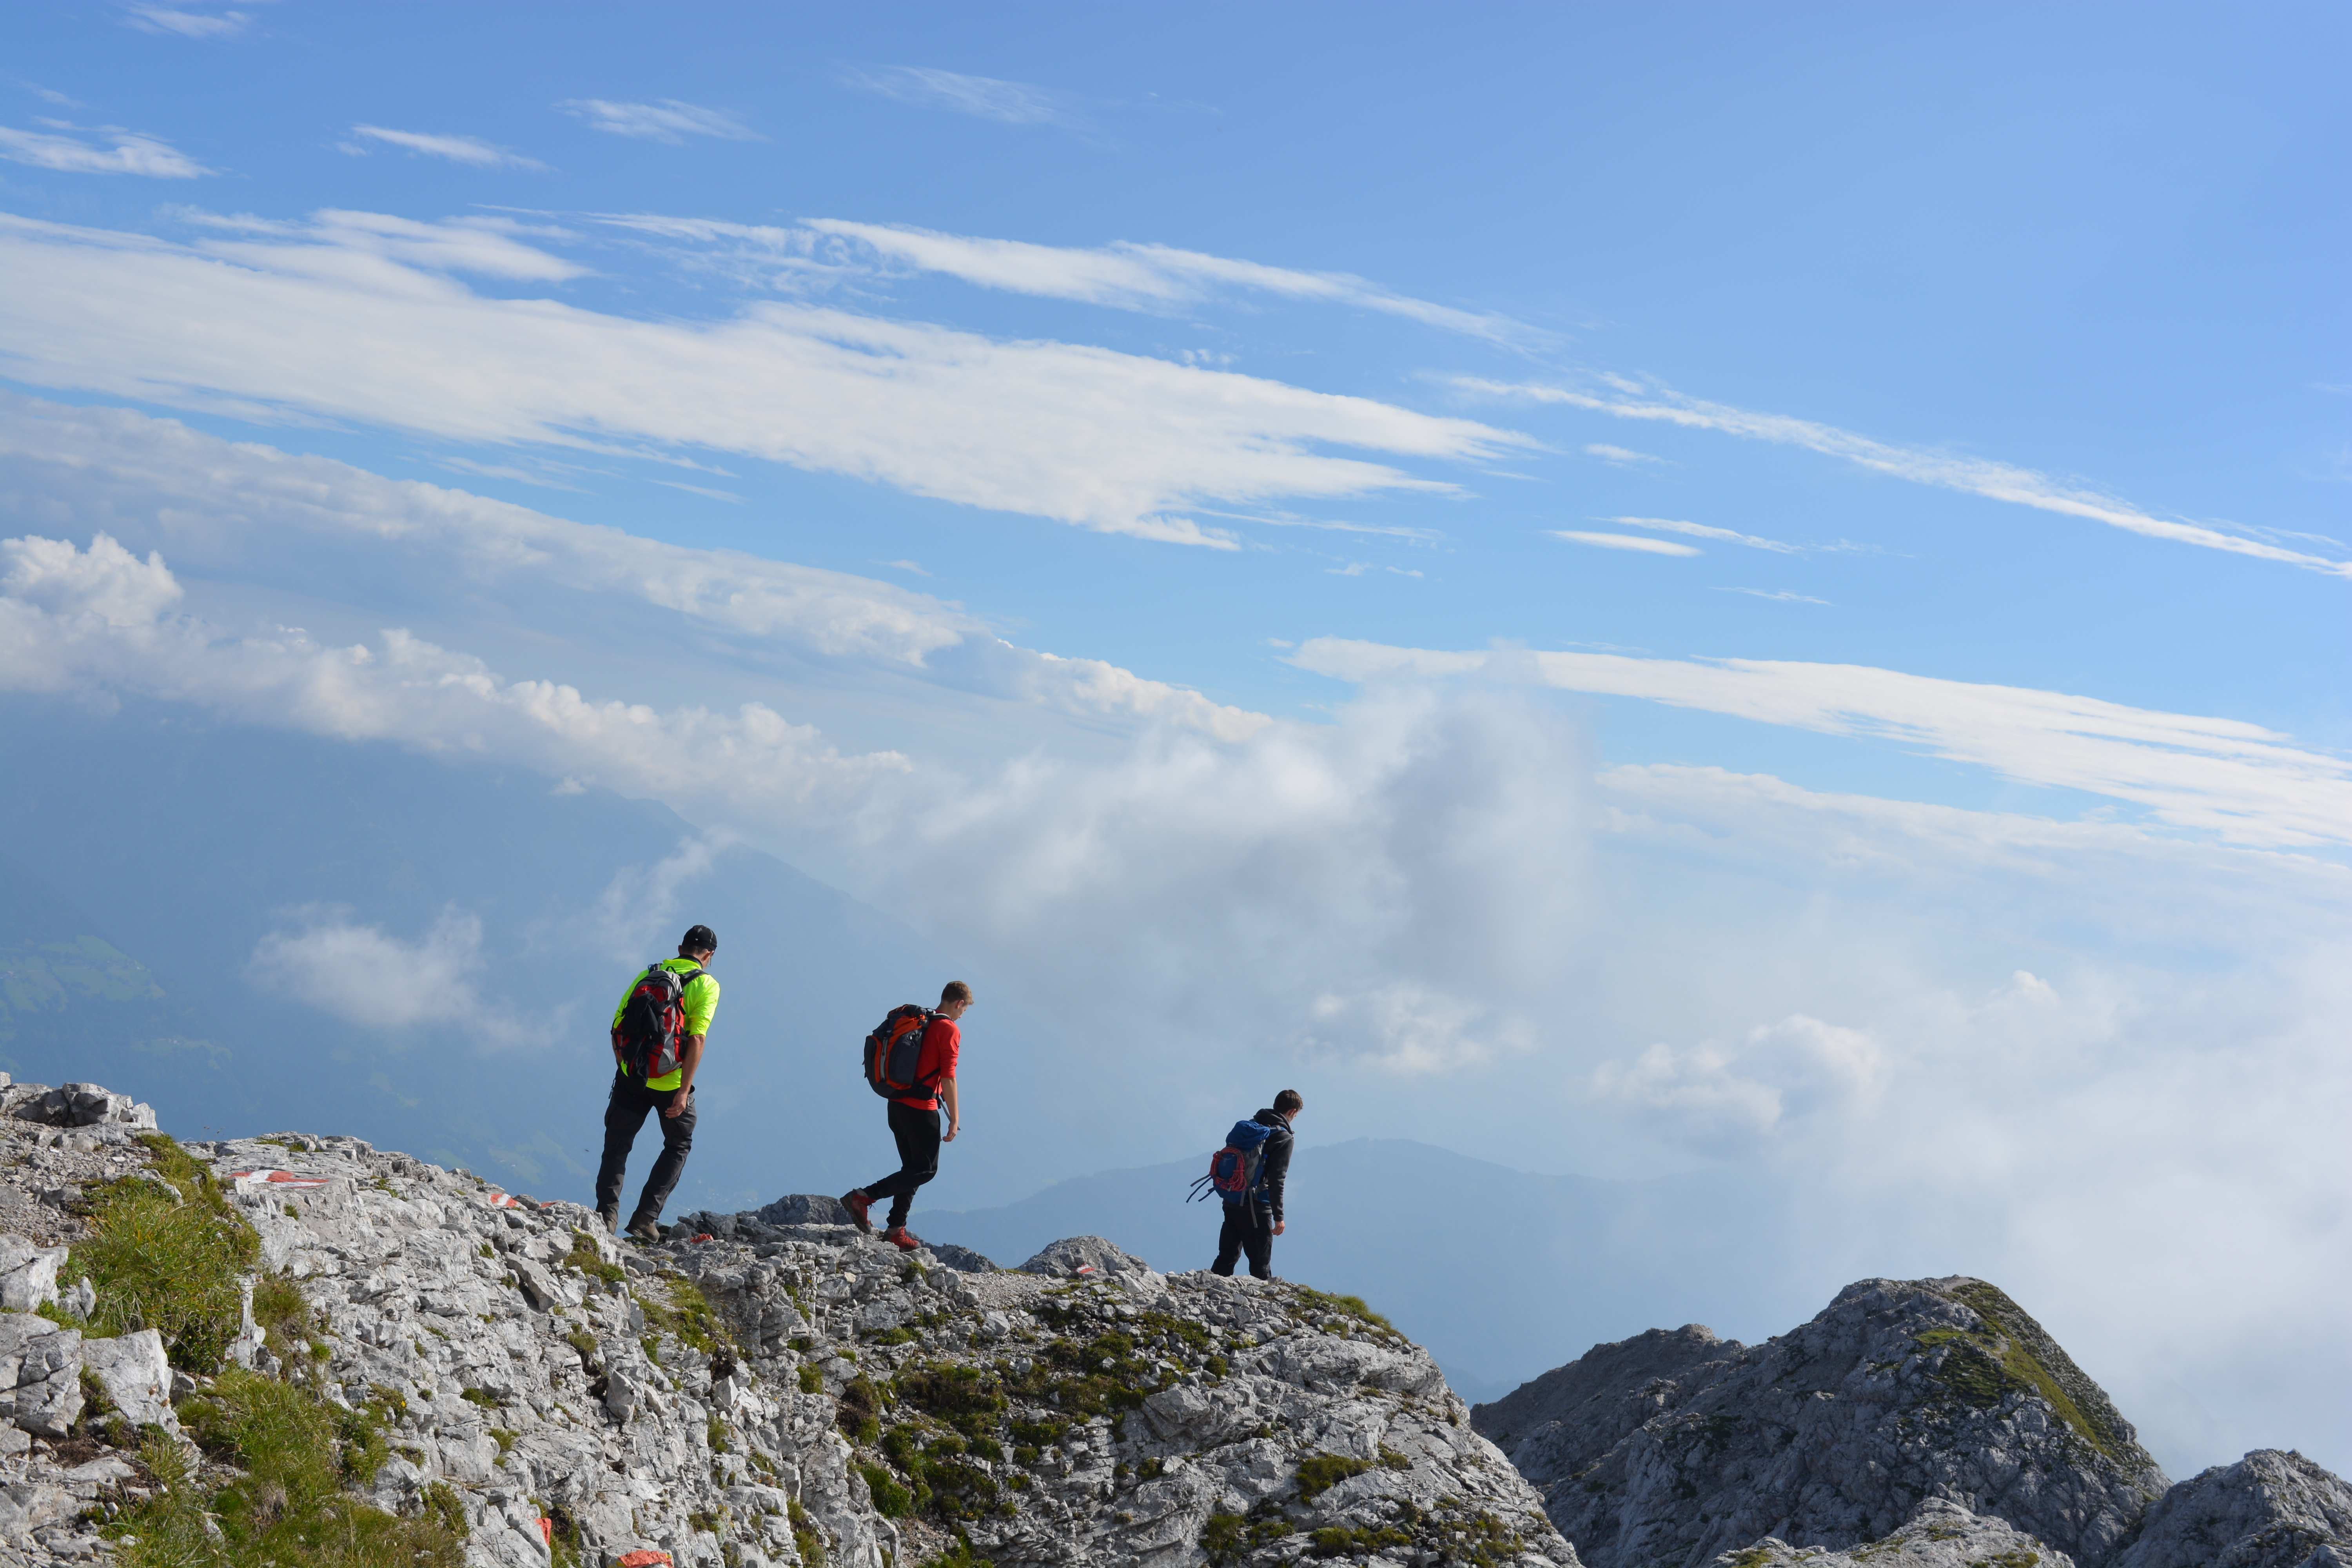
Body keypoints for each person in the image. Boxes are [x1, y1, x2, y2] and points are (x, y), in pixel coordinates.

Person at [596, 925, 720, 1242]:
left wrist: (625, 1068)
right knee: (678, 1145)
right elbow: (697, 1038)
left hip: (633, 1076)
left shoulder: (648, 976)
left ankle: (606, 1217)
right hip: (672, 1083)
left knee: (617, 1145)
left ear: (680, 948)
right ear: (709, 956)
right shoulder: (707, 985)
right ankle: (645, 1218)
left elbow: (616, 1025)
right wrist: (683, 1092)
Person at [841, 981, 970, 1252]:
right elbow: (949, 1076)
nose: (962, 1015)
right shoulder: (949, 1029)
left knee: (911, 1170)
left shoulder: (922, 1023)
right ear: (959, 1003)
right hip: (921, 1111)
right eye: (964, 1010)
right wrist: (954, 1119)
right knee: (925, 1170)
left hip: (897, 1106)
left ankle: (895, 1230)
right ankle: (863, 1197)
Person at [1211, 1089, 1301, 1280]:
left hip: (1232, 1198)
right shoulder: (1284, 1138)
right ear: (1293, 1112)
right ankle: (1268, 1307)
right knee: (1261, 1265)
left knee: (1226, 1257)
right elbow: (1278, 1178)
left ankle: (1207, 1295)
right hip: (1256, 1209)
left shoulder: (1253, 1125)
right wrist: (1279, 1216)